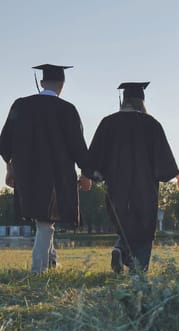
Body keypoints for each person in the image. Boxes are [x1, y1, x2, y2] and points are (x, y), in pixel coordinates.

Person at [88, 82, 179, 273]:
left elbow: (94, 157)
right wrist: (178, 175)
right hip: (144, 189)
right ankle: (138, 272)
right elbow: (164, 156)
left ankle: (120, 249)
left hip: (117, 188)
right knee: (143, 231)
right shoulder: (151, 124)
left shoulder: (108, 123)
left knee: (124, 224)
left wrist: (90, 176)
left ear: (123, 100)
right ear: (141, 101)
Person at [0, 64, 92, 273]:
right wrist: (86, 173)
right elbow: (78, 145)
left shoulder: (20, 105)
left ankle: (51, 260)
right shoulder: (67, 109)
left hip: (26, 173)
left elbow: (5, 141)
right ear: (62, 84)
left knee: (43, 218)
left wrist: (10, 168)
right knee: (45, 219)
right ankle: (38, 270)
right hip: (55, 175)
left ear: (42, 83)